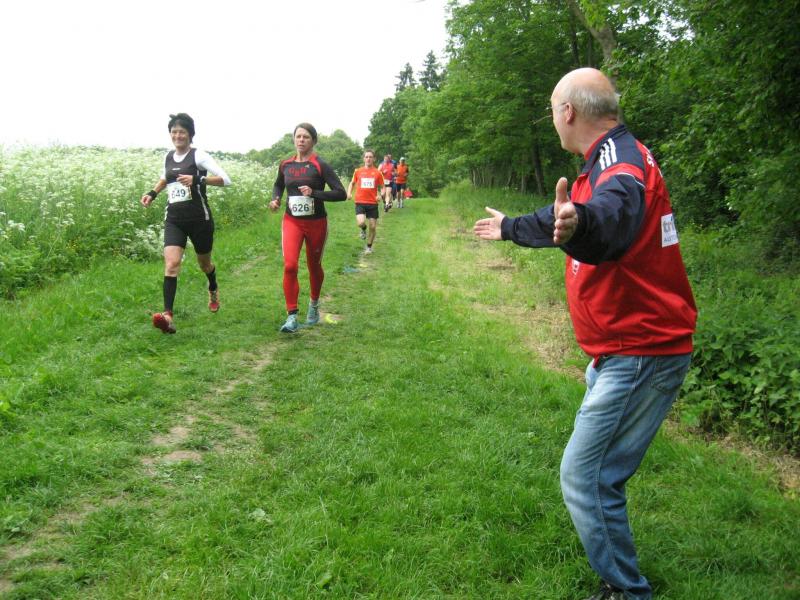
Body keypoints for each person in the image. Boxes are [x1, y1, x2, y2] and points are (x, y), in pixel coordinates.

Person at [474, 68, 697, 600]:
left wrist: (583, 225)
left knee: (586, 476)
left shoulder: (619, 166)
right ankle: (619, 580)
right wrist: (511, 227)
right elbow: (565, 217)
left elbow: (608, 217)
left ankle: (627, 591)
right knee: (599, 475)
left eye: (552, 109)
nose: (553, 119)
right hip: (621, 350)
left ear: (568, 112)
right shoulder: (604, 161)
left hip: (640, 349)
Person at [141, 113, 232, 334]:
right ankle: (167, 316)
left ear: (190, 134)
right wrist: (152, 193)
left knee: (204, 264)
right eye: (174, 132)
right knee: (171, 264)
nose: (177, 136)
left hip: (200, 220)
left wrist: (198, 179)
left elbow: (226, 180)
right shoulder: (168, 157)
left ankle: (212, 286)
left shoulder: (199, 155)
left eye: (182, 132)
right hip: (174, 219)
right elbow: (165, 178)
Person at [269, 123, 346, 333]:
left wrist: (314, 193)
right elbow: (278, 184)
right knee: (290, 265)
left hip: (316, 223)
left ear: (313, 141)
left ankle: (314, 304)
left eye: (306, 137)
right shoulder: (285, 164)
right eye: (298, 136)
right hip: (292, 221)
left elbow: (341, 193)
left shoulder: (320, 165)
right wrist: (276, 199)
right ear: (294, 139)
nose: (301, 140)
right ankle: (292, 316)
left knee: (314, 265)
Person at [347, 149, 384, 254]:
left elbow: (383, 187)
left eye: (370, 157)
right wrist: (349, 193)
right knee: (361, 222)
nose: (368, 159)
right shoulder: (358, 171)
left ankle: (369, 247)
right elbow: (352, 183)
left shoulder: (378, 173)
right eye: (366, 157)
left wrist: (380, 195)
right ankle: (363, 229)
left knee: (373, 227)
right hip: (360, 201)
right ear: (364, 159)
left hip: (372, 203)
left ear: (374, 159)